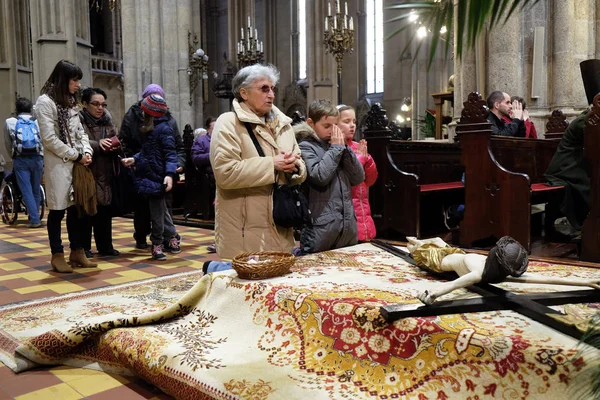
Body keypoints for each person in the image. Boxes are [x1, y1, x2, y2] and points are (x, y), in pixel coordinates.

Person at [209, 64, 307, 259]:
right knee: (246, 287)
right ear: (244, 93)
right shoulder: (228, 122)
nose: (271, 94)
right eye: (264, 88)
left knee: (278, 287)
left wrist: (295, 167)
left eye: (272, 88)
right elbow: (225, 173)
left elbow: (299, 162)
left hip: (279, 227)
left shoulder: (284, 125)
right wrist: (273, 164)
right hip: (243, 232)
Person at [34, 60, 97, 272]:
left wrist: (87, 152)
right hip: (58, 166)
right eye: (74, 80)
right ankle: (57, 254)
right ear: (63, 80)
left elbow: (80, 132)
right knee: (57, 211)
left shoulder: (70, 102)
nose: (78, 85)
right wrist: (76, 155)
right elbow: (49, 138)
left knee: (78, 210)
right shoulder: (45, 102)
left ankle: (77, 251)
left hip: (77, 164)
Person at [407, 236, 600, 305]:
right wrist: (432, 294)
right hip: (438, 260)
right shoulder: (479, 272)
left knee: (438, 242)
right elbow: (452, 284)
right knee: (415, 249)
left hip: (454, 255)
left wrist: (584, 282)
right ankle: (416, 242)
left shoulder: (489, 272)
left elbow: (538, 278)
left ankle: (419, 241)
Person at [119, 83, 185, 250]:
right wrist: (133, 160)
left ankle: (161, 241)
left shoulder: (164, 129)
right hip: (146, 173)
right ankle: (160, 238)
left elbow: (171, 152)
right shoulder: (148, 128)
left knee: (160, 211)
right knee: (152, 210)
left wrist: (171, 172)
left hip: (159, 175)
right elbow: (146, 151)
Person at [294, 99, 365, 253]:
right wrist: (336, 149)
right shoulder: (305, 146)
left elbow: (358, 178)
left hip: (347, 225)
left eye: (335, 126)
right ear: (311, 124)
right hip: (321, 229)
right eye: (326, 126)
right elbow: (319, 176)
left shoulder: (337, 145)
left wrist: (345, 149)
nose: (331, 131)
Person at [544, 59, 600, 233]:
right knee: (593, 188)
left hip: (578, 168)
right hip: (565, 171)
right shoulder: (588, 119)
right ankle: (590, 230)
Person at [79, 88, 120, 258]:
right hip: (86, 169)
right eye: (95, 104)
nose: (99, 108)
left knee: (104, 210)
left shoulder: (107, 121)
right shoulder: (78, 120)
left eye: (103, 104)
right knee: (85, 210)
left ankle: (105, 246)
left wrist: (115, 144)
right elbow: (77, 140)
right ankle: (83, 247)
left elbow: (116, 137)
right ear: (85, 104)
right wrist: (97, 144)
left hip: (104, 170)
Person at [337, 104, 378, 241]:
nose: (352, 125)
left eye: (354, 121)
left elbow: (370, 181)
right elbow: (347, 180)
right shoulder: (335, 148)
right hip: (347, 217)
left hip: (364, 211)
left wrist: (368, 161)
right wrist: (360, 160)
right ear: (335, 124)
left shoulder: (357, 147)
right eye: (347, 121)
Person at [4, 97, 44, 228]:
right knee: (36, 189)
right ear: (30, 108)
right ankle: (35, 215)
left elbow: (7, 143)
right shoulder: (37, 122)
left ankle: (35, 219)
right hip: (37, 158)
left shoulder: (10, 122)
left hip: (20, 160)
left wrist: (14, 157)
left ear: (17, 109)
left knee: (26, 190)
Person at [192, 116, 217, 252]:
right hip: (208, 177)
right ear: (209, 128)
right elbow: (196, 158)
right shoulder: (202, 141)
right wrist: (212, 155)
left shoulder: (224, 139)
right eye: (215, 127)